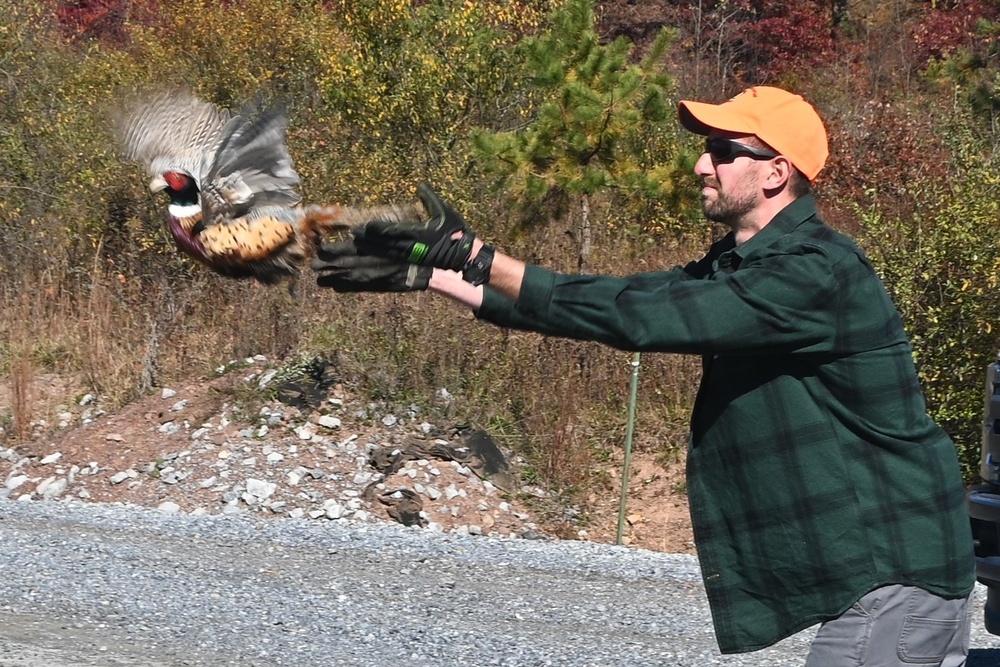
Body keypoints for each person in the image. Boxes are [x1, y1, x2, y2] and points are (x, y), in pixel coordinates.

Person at [312, 86, 976, 665]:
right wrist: (445, 274)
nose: (701, 164)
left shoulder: (812, 274)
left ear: (776, 172)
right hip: (884, 577)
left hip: (895, 572)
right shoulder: (743, 266)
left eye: (721, 150)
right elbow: (610, 304)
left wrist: (484, 256)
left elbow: (641, 317)